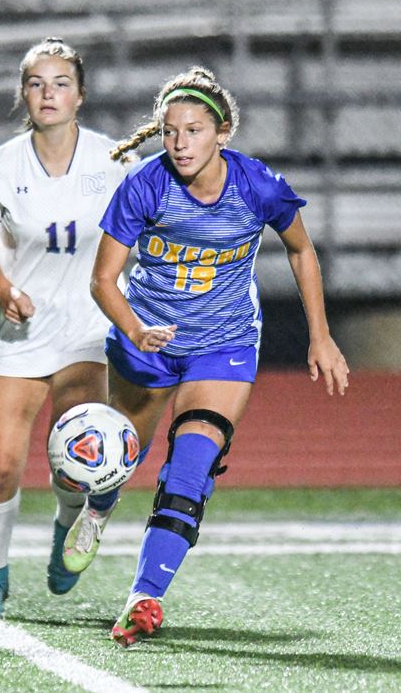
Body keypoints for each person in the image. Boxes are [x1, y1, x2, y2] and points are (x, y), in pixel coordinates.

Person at [62, 65, 350, 645]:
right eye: (169, 131)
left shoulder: (257, 184)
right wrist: (137, 330)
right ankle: (98, 507)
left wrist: (320, 334)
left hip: (225, 344)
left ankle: (144, 599)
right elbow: (102, 281)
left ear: (222, 133)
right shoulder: (145, 184)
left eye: (193, 130)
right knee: (125, 454)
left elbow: (300, 248)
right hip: (148, 338)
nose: (179, 142)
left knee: (190, 469)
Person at [0, 37, 130, 618]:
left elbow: (148, 228)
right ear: (24, 95)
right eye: (37, 84)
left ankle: (65, 531)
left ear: (80, 95)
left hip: (87, 328)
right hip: (19, 334)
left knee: (76, 459)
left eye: (60, 83)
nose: (48, 93)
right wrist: (4, 289)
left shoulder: (114, 161)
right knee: (2, 464)